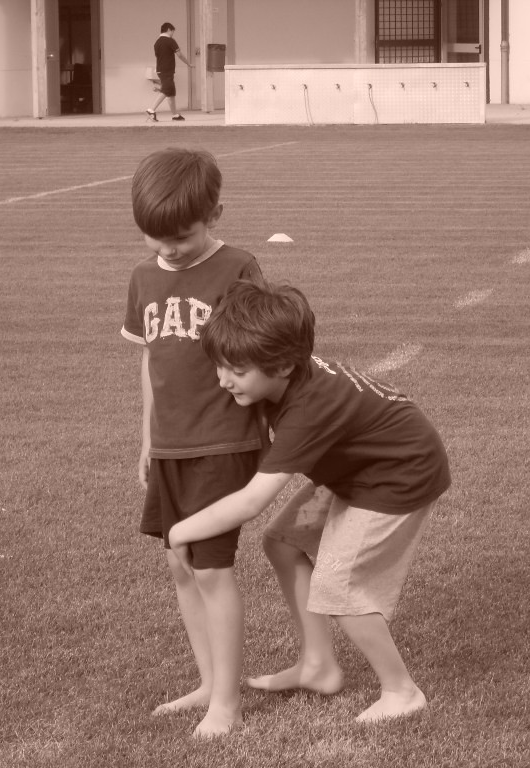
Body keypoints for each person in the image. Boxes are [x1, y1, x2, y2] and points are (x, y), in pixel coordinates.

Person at [168, 279, 451, 724]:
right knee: (282, 542)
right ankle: (319, 665)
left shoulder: (307, 408)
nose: (223, 380)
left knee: (339, 588)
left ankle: (402, 690)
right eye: (219, 367)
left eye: (236, 372)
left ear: (281, 366)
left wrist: (180, 531)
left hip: (397, 476)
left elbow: (251, 501)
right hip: (357, 469)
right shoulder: (285, 375)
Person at [121, 148, 264, 737]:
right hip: (171, 446)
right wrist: (146, 439)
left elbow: (264, 353)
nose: (169, 249)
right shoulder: (143, 276)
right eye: (155, 238)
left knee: (210, 569)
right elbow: (150, 362)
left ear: (216, 215)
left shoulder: (240, 268)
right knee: (181, 565)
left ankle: (226, 703)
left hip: (223, 443)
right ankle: (208, 681)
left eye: (182, 235)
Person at [147, 22, 193, 122]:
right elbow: (179, 54)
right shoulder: (170, 41)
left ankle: (175, 115)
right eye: (172, 31)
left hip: (160, 69)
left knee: (171, 92)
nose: (172, 33)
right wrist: (188, 64)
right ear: (168, 29)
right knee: (167, 89)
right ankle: (151, 110)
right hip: (167, 70)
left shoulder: (157, 42)